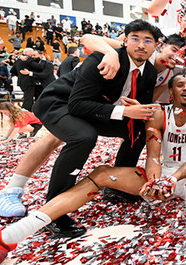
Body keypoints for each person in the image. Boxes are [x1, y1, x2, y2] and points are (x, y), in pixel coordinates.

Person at [0, 73, 186, 265]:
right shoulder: (159, 113)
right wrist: (154, 181)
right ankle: (9, 235)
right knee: (101, 173)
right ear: (170, 91)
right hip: (161, 174)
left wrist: (172, 180)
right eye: (180, 84)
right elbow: (153, 152)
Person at [30, 19, 162, 237]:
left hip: (97, 108)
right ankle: (53, 210)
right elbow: (77, 104)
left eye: (148, 40)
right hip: (61, 103)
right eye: (135, 38)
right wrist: (124, 112)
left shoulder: (149, 72)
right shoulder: (103, 57)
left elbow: (138, 107)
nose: (141, 45)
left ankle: (116, 186)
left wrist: (137, 111)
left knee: (138, 131)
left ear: (155, 46)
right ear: (125, 41)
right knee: (84, 136)